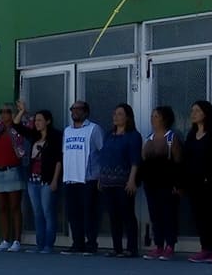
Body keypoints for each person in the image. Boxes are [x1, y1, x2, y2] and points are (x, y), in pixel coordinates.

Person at [182, 101, 212, 263]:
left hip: (210, 180)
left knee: (208, 214)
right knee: (198, 216)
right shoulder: (191, 133)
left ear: (206, 113)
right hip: (193, 181)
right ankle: (205, 248)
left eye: (197, 110)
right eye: (192, 110)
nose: (193, 113)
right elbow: (186, 157)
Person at [99, 104, 143, 257]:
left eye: (119, 114)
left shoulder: (133, 136)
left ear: (127, 117)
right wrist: (101, 178)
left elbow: (135, 159)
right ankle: (116, 247)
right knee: (113, 215)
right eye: (114, 114)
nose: (115, 117)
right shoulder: (109, 135)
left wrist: (132, 180)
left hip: (124, 181)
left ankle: (131, 248)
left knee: (127, 214)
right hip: (107, 181)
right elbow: (104, 157)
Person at [61, 100, 105, 255]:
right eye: (72, 109)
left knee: (89, 214)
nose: (74, 111)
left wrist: (101, 176)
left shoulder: (94, 129)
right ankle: (77, 243)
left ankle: (91, 243)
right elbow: (65, 153)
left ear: (86, 112)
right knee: (73, 214)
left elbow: (102, 152)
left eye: (78, 109)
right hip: (70, 178)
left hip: (88, 178)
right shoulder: (67, 131)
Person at [140, 106, 183, 260]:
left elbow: (178, 163)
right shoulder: (149, 138)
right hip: (151, 183)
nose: (153, 119)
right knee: (155, 215)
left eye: (156, 116)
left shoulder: (172, 137)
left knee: (168, 215)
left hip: (167, 183)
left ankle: (170, 245)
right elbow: (143, 159)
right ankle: (158, 245)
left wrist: (178, 184)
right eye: (152, 116)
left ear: (165, 119)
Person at [0, 100, 28, 252]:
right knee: (2, 207)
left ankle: (17, 241)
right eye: (2, 111)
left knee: (15, 206)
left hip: (13, 170)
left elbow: (30, 124)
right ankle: (5, 240)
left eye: (7, 111)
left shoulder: (19, 127)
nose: (4, 114)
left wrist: (22, 111)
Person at [22, 107, 63, 254]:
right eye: (35, 120)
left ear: (48, 121)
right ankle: (39, 245)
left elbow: (59, 160)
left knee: (48, 212)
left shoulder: (55, 137)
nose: (36, 123)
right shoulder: (34, 136)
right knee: (37, 213)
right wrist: (21, 112)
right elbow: (16, 126)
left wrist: (54, 180)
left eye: (39, 120)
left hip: (47, 180)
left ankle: (48, 245)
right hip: (32, 181)